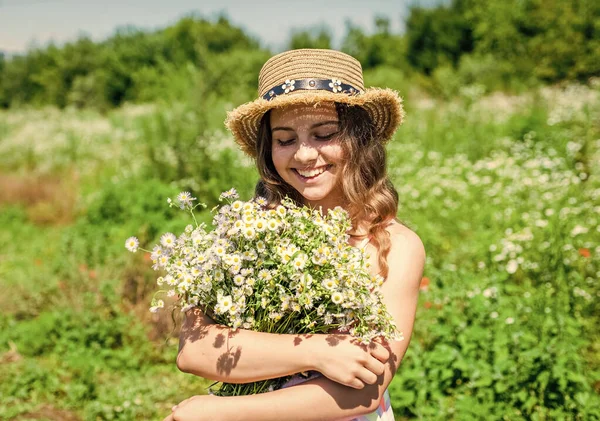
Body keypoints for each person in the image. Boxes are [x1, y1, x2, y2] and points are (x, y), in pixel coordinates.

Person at [164, 48, 426, 421]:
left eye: (325, 134)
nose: (304, 155)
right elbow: (194, 351)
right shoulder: (245, 231)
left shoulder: (394, 246)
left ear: (360, 138)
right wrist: (317, 351)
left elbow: (366, 390)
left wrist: (222, 412)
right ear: (268, 150)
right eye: (285, 139)